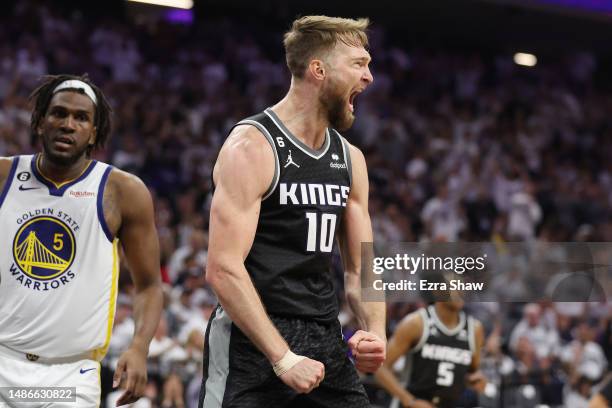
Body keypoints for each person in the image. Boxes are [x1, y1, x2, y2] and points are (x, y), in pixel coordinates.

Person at [199, 15, 386, 408]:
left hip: (323, 333)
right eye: (359, 64)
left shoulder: (350, 159)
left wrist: (375, 332)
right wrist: (282, 358)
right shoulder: (252, 146)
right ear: (318, 70)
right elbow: (222, 268)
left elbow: (360, 269)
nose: (369, 77)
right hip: (251, 338)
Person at [0, 74, 163, 407]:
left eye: (81, 118)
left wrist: (139, 347)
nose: (68, 124)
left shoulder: (123, 192)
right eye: (59, 113)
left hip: (71, 374)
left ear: (93, 133)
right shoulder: (4, 177)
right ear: (40, 122)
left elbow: (148, 285)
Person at [375, 298, 486, 408]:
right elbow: (381, 368)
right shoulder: (416, 323)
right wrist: (409, 401)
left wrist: (477, 381)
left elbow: (472, 373)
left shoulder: (475, 329)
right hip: (414, 402)